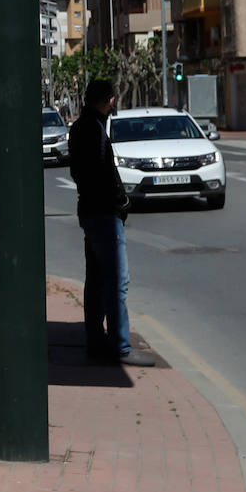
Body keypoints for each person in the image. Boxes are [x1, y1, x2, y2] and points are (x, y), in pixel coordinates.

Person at [68, 79, 155, 368]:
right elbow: (100, 173)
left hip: (91, 211)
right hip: (103, 214)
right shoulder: (93, 128)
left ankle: (96, 339)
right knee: (118, 280)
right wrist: (119, 202)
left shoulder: (83, 126)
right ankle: (121, 346)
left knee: (96, 280)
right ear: (111, 100)